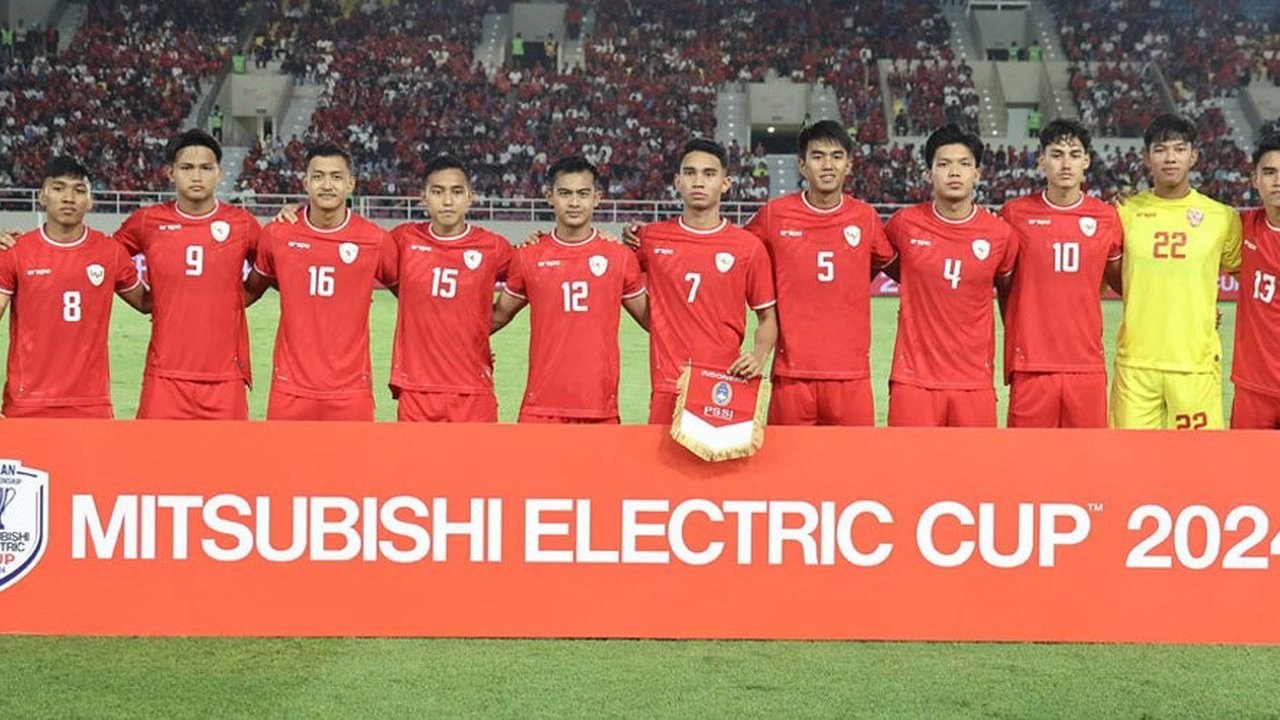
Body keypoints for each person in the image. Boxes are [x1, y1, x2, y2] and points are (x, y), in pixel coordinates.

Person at [0, 129, 260, 420]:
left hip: (225, 376)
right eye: (187, 168)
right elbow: (91, 257)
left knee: (229, 462)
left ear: (218, 173)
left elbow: (271, 268)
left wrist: (235, 297)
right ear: (170, 172)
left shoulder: (243, 224)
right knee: (151, 462)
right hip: (161, 377)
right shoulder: (145, 222)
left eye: (205, 168)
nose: (196, 176)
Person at [743, 120, 894, 425]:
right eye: (817, 156)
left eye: (837, 156)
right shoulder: (774, 215)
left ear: (849, 165)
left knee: (853, 470)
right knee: (788, 470)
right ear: (802, 165)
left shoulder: (865, 218)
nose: (828, 165)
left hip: (851, 376)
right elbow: (740, 255)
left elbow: (880, 262)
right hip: (791, 374)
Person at [245, 143, 398, 421]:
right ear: (305, 182)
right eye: (318, 176)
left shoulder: (375, 240)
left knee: (351, 466)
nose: (327, 185)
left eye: (336, 177)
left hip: (351, 392)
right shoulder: (277, 235)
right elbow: (246, 294)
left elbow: (414, 300)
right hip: (290, 388)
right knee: (283, 466)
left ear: (351, 183)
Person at [491, 155, 648, 423]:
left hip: (600, 409)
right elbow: (495, 317)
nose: (574, 203)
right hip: (541, 408)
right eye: (565, 193)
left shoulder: (619, 257)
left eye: (582, 194)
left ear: (597, 198)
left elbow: (655, 321)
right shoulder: (529, 256)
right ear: (550, 197)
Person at [1111, 114, 1242, 430]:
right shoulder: (1123, 213)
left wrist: (1202, 304)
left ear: (1193, 155)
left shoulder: (1221, 217)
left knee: (1195, 469)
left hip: (1194, 363)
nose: (1170, 158)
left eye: (1179, 149)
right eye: (1160, 149)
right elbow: (1111, 274)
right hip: (1136, 364)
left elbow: (1250, 278)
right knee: (1129, 468)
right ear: (1146, 157)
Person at [883, 123, 1018, 427]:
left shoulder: (1000, 234)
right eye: (944, 164)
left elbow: (1009, 297)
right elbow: (887, 267)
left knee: (973, 474)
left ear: (977, 173)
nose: (954, 172)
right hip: (913, 381)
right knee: (907, 472)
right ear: (929, 173)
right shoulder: (904, 224)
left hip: (974, 382)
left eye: (964, 164)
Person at [635, 138, 777, 424]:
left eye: (709, 174)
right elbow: (616, 274)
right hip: (668, 384)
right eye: (690, 173)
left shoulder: (747, 247)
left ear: (725, 183)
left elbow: (768, 317)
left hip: (724, 385)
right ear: (677, 181)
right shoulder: (650, 238)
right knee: (661, 469)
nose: (698, 181)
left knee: (722, 469)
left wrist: (758, 356)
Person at [0, 156, 148, 418]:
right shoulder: (15, 251)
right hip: (27, 403)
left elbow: (149, 302)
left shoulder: (110, 252)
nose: (69, 197)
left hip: (90, 404)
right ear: (43, 197)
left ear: (91, 201)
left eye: (79, 190)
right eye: (58, 188)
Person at [997, 119, 1123, 428]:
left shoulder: (1107, 217)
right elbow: (1004, 284)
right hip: (1032, 365)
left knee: (1085, 467)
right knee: (1026, 467)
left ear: (1086, 161)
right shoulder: (1014, 213)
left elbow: (1127, 284)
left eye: (1074, 154)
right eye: (1056, 154)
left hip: (1086, 365)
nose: (1066, 163)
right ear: (1041, 161)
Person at [387, 155, 512, 422]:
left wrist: (481, 326)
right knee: (415, 465)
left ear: (470, 197)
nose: (447, 201)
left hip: (473, 389)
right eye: (437, 191)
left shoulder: (494, 247)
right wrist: (299, 212)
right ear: (423, 198)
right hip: (416, 390)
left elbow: (533, 276)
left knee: (475, 465)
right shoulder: (403, 239)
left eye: (456, 192)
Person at [1230, 134, 1280, 429]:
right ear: (1254, 179)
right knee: (1245, 473)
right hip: (1253, 388)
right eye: (1270, 172)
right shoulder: (1240, 228)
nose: (1278, 181)